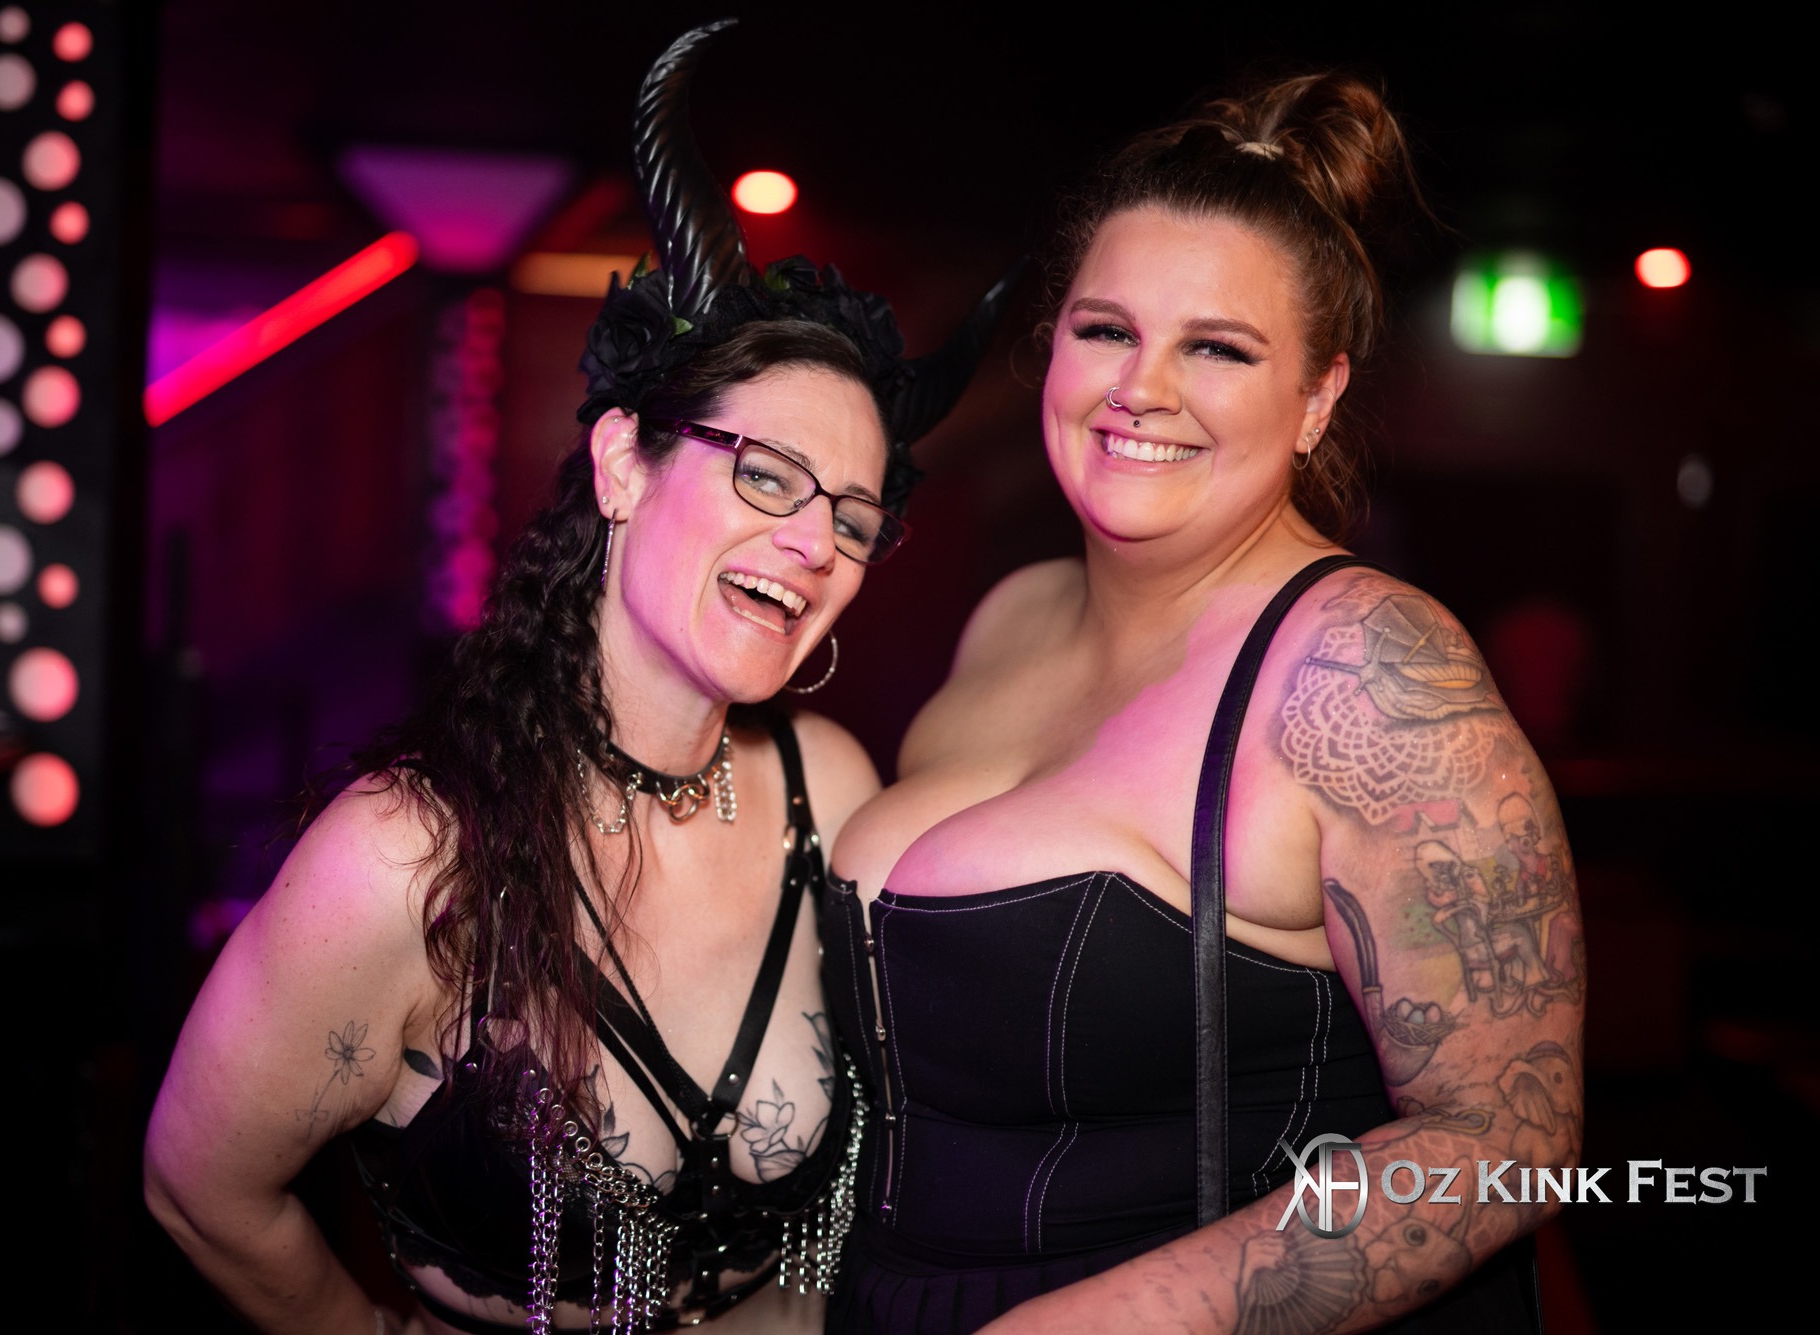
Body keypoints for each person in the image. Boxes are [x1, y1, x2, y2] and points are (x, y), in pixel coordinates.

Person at [144, 23, 1013, 1334]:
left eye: (852, 513)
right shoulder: (407, 858)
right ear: (621, 465)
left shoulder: (825, 789)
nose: (812, 542)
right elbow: (200, 1188)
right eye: (766, 474)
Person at [823, 73, 1583, 1333]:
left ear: (1317, 397)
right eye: (1104, 331)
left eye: (1217, 348)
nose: (1141, 389)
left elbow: (1508, 1141)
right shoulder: (1008, 616)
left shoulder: (1365, 666)